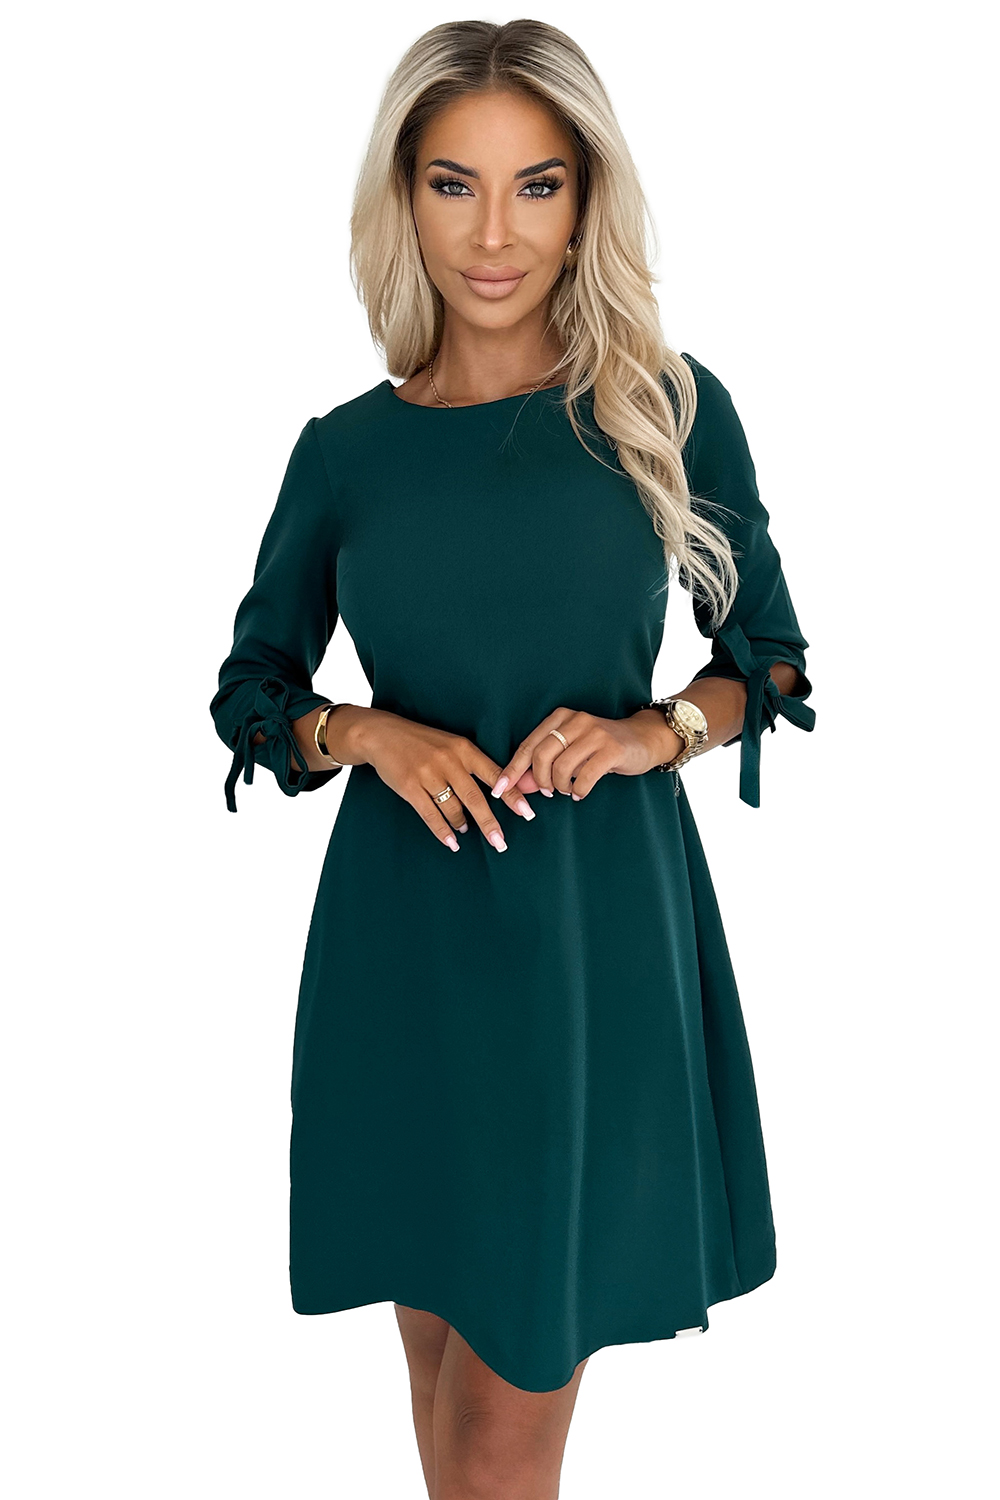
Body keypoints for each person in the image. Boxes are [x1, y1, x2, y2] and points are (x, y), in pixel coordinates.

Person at [210, 18, 816, 1499]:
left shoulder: (667, 409)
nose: (495, 234)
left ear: (587, 196)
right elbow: (252, 689)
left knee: (498, 1436)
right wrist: (360, 731)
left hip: (589, 959)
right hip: (401, 957)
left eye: (537, 185)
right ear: (403, 199)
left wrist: (654, 731)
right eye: (454, 184)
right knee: (444, 1411)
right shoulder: (346, 452)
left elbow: (772, 661)